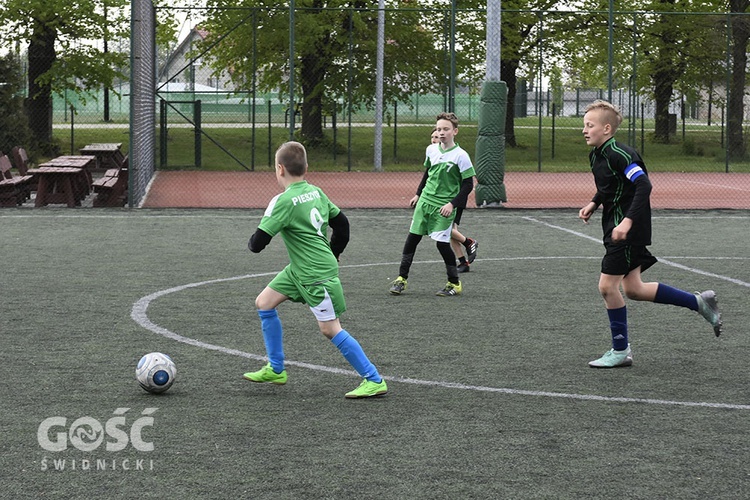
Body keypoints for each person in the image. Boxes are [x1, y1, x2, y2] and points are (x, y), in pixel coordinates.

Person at [579, 100, 722, 368]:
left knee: (607, 287)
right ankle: (699, 302)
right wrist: (594, 202)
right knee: (634, 289)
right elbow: (613, 184)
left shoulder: (620, 153)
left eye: (590, 125)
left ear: (607, 128)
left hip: (628, 230)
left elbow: (643, 184)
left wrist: (627, 222)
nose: (584, 130)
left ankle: (620, 350)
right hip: (617, 227)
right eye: (584, 125)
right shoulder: (597, 154)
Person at [243, 141, 388, 398]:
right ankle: (276, 369)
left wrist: (260, 227)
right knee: (264, 302)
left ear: (279, 169)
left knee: (330, 329)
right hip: (299, 269)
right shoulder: (316, 192)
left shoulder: (283, 201)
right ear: (306, 167)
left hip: (315, 274)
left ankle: (373, 379)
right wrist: (334, 252)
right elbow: (342, 225)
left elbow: (257, 245)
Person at [389, 112, 476, 297]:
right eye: (439, 129)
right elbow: (427, 174)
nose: (442, 132)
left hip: (443, 207)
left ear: (455, 131)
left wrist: (452, 205)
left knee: (441, 244)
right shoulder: (431, 150)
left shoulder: (461, 156)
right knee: (412, 239)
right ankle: (401, 279)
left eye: (446, 129)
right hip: (425, 202)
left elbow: (468, 184)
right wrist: (418, 194)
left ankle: (454, 283)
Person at [427, 128, 479, 273]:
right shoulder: (434, 154)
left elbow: (466, 180)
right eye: (432, 137)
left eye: (436, 137)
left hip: (453, 199)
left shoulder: (457, 155)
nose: (434, 139)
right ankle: (463, 262)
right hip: (440, 199)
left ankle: (469, 242)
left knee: (446, 230)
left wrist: (454, 201)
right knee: (448, 231)